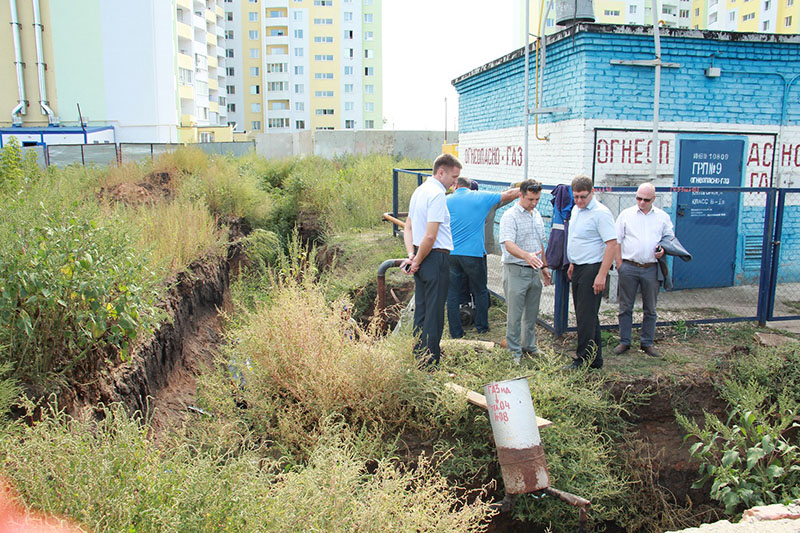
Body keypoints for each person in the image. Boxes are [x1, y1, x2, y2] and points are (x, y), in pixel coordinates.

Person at [400, 153, 462, 366]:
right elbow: (430, 235)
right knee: (434, 313)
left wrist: (412, 255)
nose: (455, 182)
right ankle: (429, 364)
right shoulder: (436, 194)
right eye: (453, 177)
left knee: (422, 309)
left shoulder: (419, 191)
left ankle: (418, 356)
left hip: (421, 254)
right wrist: (416, 260)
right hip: (434, 257)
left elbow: (407, 227)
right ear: (441, 172)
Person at [446, 177, 520, 339]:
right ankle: (482, 327)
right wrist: (526, 188)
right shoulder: (481, 197)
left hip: (451, 254)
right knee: (479, 290)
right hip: (474, 254)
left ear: (456, 186)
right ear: (470, 187)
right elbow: (509, 194)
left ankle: (456, 332)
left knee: (452, 294)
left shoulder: (446, 200)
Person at [614, 182, 674, 358]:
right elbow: (616, 240)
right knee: (625, 306)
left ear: (653, 199)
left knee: (651, 308)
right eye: (638, 198)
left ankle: (647, 342)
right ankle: (625, 341)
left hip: (651, 268)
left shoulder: (662, 217)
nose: (641, 202)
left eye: (646, 200)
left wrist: (663, 250)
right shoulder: (626, 215)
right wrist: (619, 265)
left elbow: (669, 239)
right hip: (629, 266)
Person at [566, 175, 618, 370]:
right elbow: (578, 238)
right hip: (579, 266)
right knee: (586, 314)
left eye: (583, 197)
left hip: (592, 268)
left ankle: (583, 359)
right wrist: (573, 262)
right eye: (576, 197)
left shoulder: (601, 213)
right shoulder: (576, 210)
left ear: (592, 192)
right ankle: (595, 359)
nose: (579, 201)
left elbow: (611, 244)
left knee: (585, 315)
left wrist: (602, 274)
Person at [499, 179, 551, 363]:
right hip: (516, 270)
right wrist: (526, 256)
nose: (534, 203)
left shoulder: (535, 214)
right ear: (520, 195)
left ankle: (529, 345)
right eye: (531, 199)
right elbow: (508, 244)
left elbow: (540, 243)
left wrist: (544, 266)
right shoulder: (510, 216)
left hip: (534, 271)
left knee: (531, 313)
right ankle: (514, 351)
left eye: (537, 199)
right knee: (515, 314)